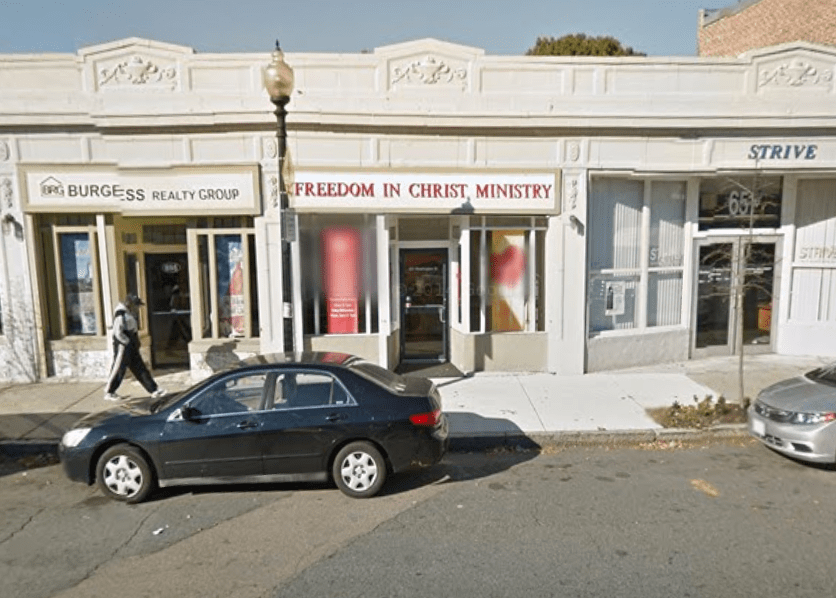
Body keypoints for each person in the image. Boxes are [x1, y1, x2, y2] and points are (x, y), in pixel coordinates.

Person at [104, 294, 166, 401]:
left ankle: (154, 389)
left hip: (131, 346)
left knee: (140, 368)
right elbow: (117, 332)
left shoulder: (128, 314)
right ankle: (109, 392)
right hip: (123, 347)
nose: (137, 308)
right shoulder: (120, 315)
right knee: (119, 369)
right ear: (130, 304)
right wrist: (126, 341)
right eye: (136, 305)